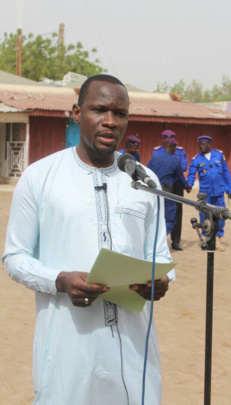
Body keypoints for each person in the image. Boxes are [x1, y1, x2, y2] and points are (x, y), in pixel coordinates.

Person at [2, 74, 174, 405]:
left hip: (134, 345)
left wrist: (161, 280)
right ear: (76, 113)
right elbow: (15, 256)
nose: (110, 122)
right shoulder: (41, 177)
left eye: (120, 113)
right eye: (99, 110)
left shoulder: (144, 180)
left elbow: (159, 255)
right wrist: (59, 280)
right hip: (68, 345)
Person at [187, 135, 231, 252]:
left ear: (209, 145)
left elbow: (226, 173)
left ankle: (218, 239)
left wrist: (229, 189)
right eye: (200, 144)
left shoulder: (218, 156)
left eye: (204, 144)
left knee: (221, 214)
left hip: (218, 192)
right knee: (204, 216)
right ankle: (207, 237)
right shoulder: (196, 159)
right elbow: (191, 174)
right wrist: (189, 184)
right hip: (205, 193)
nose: (201, 146)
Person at [153, 129, 188, 251]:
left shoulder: (179, 151)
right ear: (163, 140)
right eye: (166, 138)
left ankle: (175, 241)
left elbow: (184, 166)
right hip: (164, 186)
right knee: (160, 214)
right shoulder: (157, 151)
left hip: (176, 187)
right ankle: (159, 241)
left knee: (177, 214)